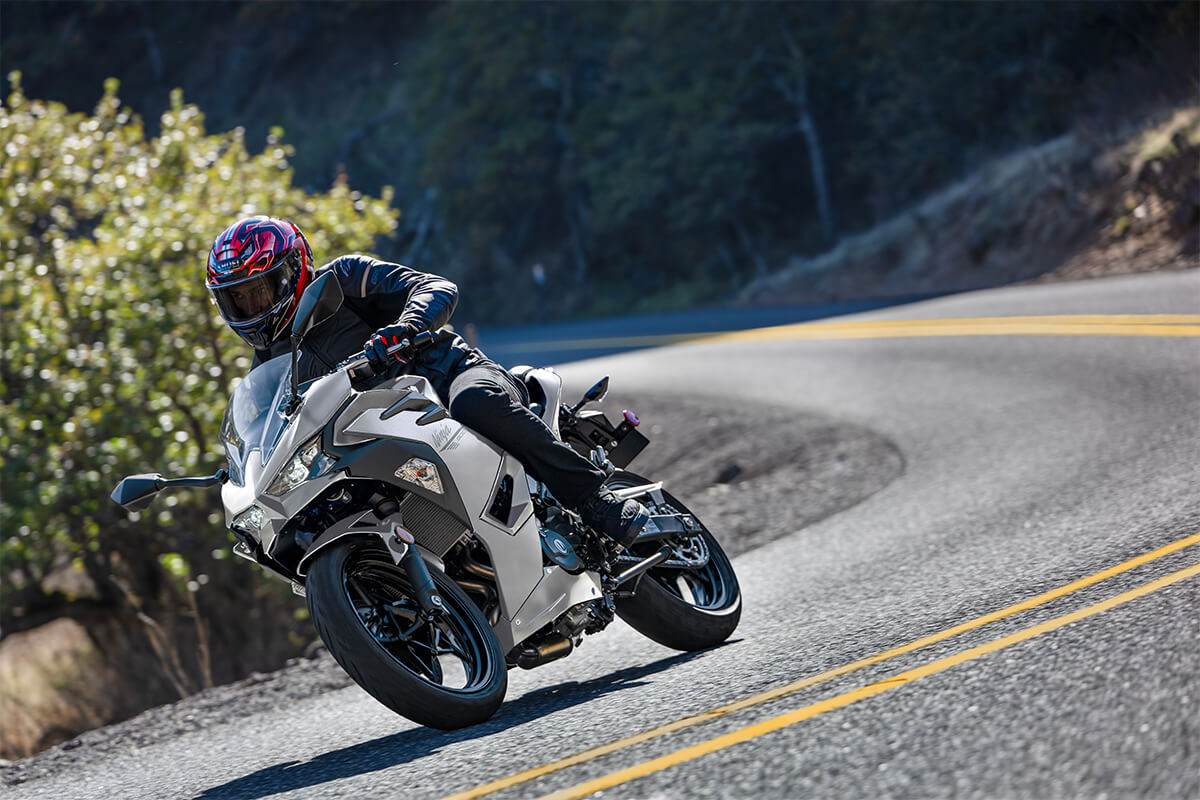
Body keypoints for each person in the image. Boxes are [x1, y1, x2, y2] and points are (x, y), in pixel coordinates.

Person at [205, 215, 647, 546]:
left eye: (259, 289)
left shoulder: (343, 279)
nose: (251, 305)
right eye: (237, 299)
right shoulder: (270, 362)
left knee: (475, 402)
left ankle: (595, 498)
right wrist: (248, 466)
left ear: (293, 269)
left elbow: (435, 286)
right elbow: (270, 428)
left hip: (447, 377)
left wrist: (406, 326)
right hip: (384, 436)